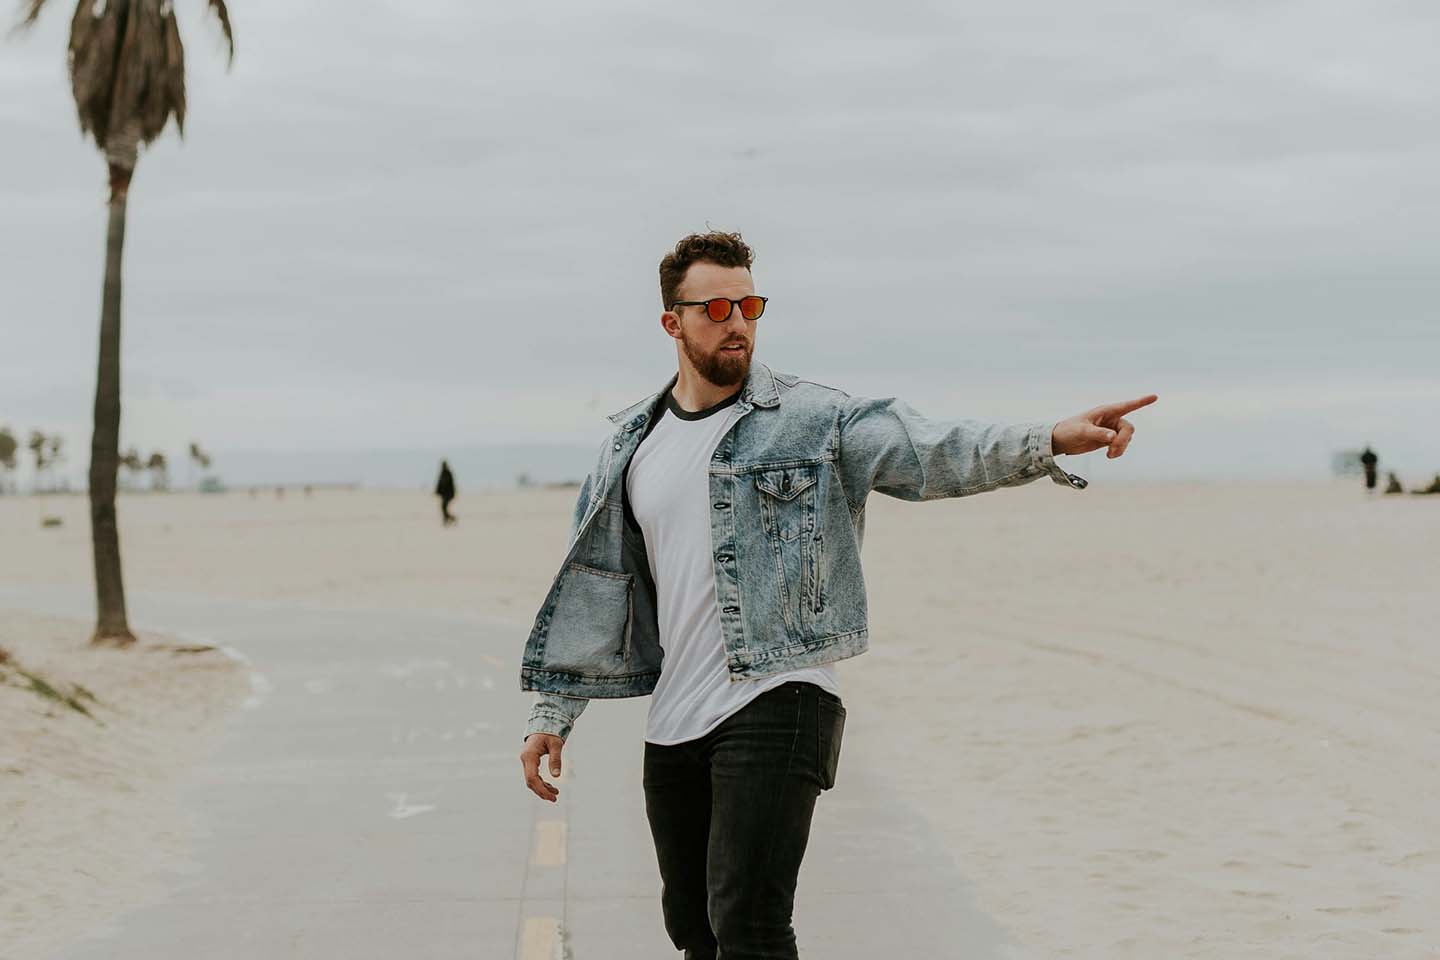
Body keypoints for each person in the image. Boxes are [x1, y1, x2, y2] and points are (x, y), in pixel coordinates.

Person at [516, 230, 1157, 960]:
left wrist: (1047, 438)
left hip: (782, 696)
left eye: (749, 304)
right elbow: (605, 590)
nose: (738, 322)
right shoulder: (632, 444)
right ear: (673, 322)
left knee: (750, 925)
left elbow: (930, 450)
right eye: (717, 306)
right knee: (695, 931)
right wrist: (554, 711)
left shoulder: (814, 420)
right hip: (676, 717)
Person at [435, 459, 457, 526]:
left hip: (448, 494)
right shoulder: (443, 473)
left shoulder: (447, 473)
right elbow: (440, 484)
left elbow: (448, 484)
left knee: (443, 507)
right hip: (445, 494)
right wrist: (438, 491)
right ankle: (447, 520)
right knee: (443, 507)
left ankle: (450, 519)